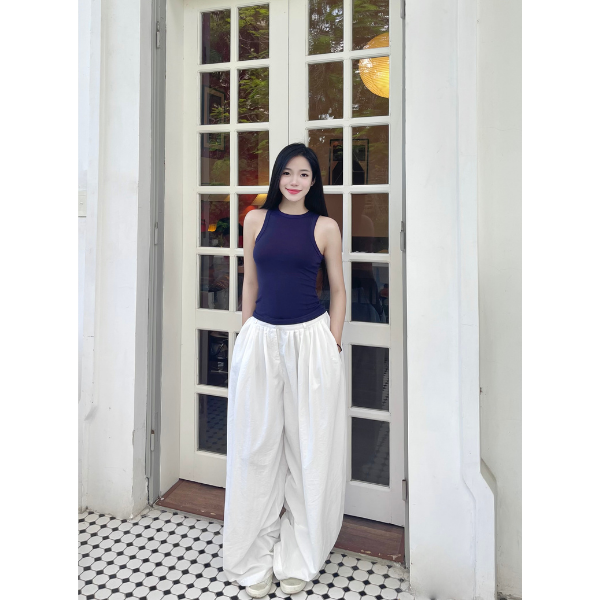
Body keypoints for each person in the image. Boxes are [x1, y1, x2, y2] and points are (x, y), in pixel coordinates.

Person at [222, 143, 347, 598]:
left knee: (307, 449)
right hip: (261, 339)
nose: (295, 181)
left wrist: (333, 343)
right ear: (277, 176)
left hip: (310, 343)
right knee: (255, 447)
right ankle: (252, 555)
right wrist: (245, 336)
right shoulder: (256, 220)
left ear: (314, 182)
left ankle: (299, 553)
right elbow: (250, 282)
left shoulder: (325, 226)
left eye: (304, 174)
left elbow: (338, 290)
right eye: (288, 173)